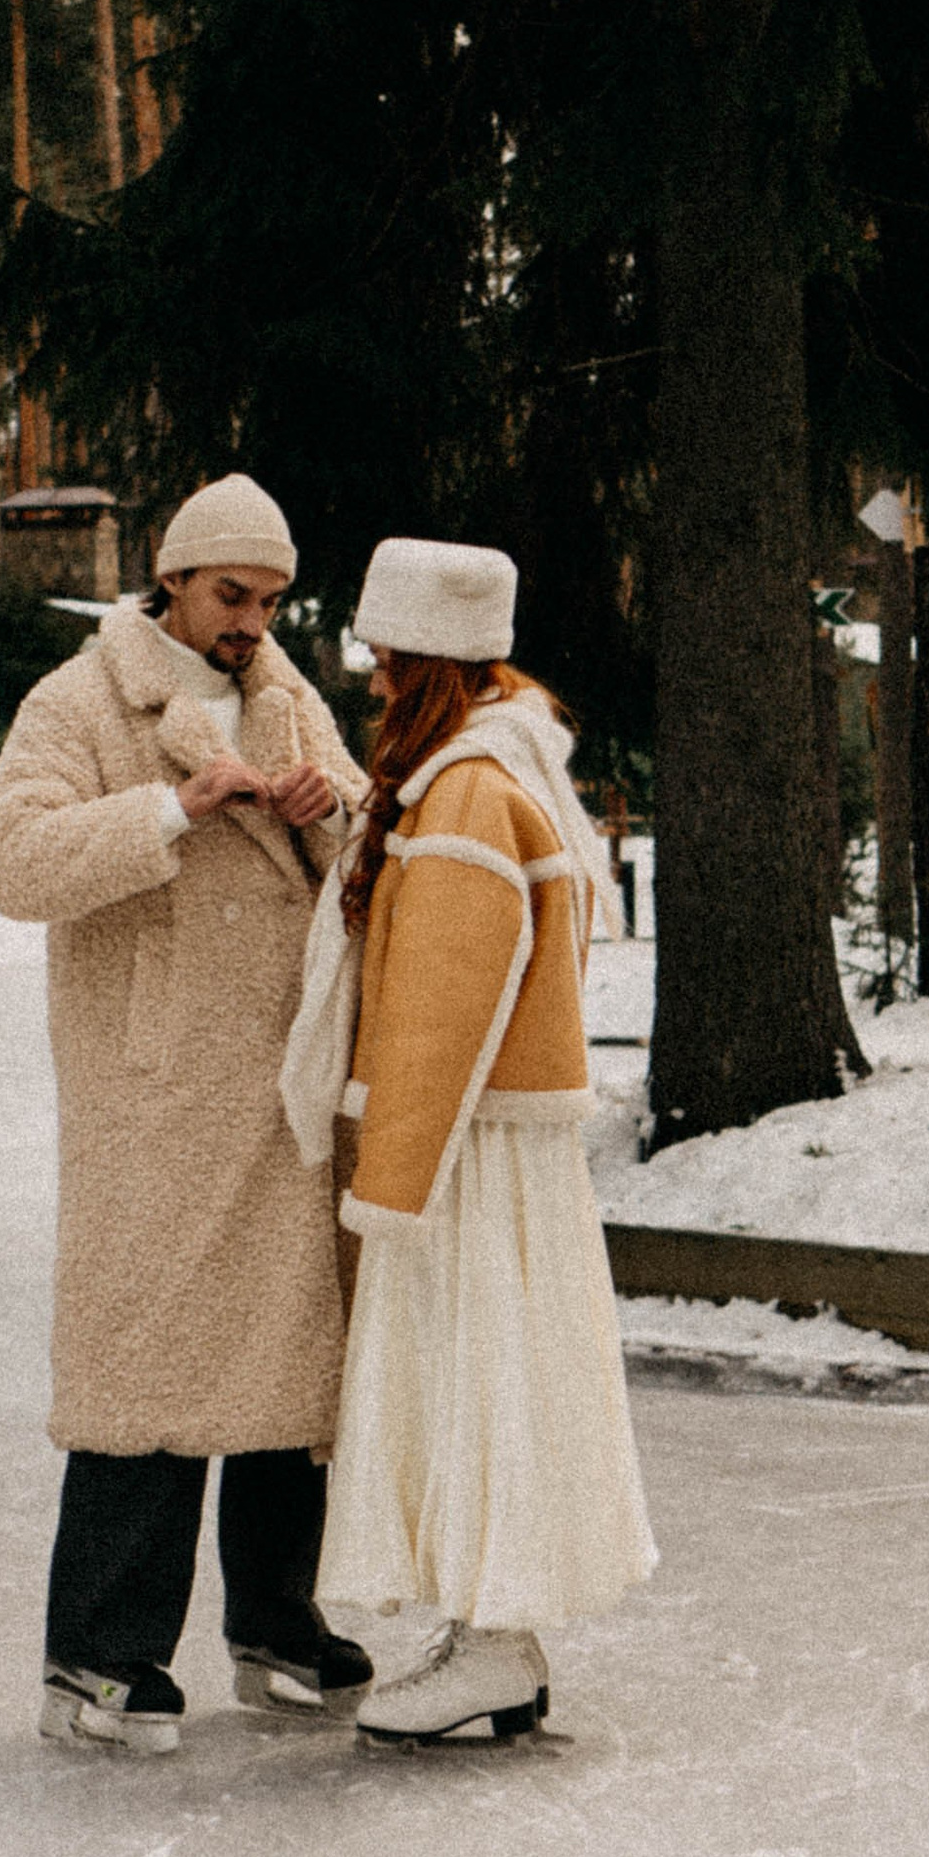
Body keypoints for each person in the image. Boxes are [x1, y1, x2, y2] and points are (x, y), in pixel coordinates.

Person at [0, 472, 374, 1753]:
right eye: (229, 594)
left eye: (269, 600)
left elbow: (366, 838)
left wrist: (331, 817)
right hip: (151, 1097)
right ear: (172, 579)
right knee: (145, 1366)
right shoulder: (80, 699)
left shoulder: (286, 698)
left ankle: (275, 1621)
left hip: (278, 1085)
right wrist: (171, 805)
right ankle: (96, 1656)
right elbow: (15, 863)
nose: (250, 621)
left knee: (283, 1362)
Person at [280, 535, 655, 1743]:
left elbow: (444, 1003)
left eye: (388, 664)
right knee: (493, 1379)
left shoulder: (462, 795)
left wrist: (388, 1177)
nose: (375, 687)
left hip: (460, 1156)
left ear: (429, 665)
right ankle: (493, 1633)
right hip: (485, 1147)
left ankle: (495, 1640)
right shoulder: (505, 771)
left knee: (473, 1379)